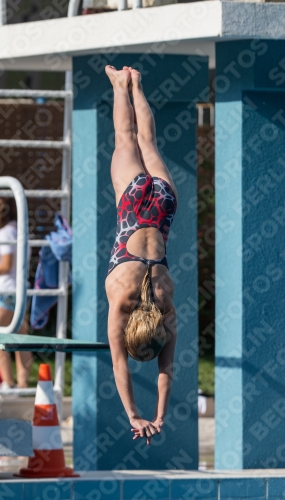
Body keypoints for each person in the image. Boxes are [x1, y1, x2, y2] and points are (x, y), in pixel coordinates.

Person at [105, 65, 178, 445]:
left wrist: (159, 415)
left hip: (164, 204)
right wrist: (135, 415)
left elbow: (167, 369)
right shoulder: (121, 301)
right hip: (133, 204)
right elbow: (120, 364)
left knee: (148, 141)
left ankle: (137, 84)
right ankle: (121, 84)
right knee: (125, 139)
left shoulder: (167, 307)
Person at [0, 197, 32, 390]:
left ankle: (8, 383)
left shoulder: (5, 232)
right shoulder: (20, 230)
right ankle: (23, 385)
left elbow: (7, 264)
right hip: (21, 289)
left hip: (7, 291)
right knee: (21, 339)